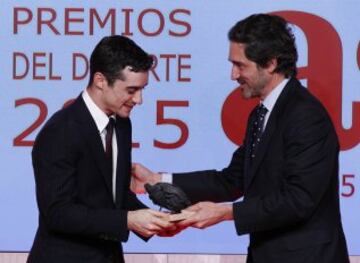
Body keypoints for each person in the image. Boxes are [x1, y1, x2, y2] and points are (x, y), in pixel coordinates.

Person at [131, 14, 350, 263]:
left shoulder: (306, 116)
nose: (233, 75)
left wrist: (226, 213)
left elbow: (299, 200)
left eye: (240, 65)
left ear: (270, 63)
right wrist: (157, 180)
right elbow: (232, 180)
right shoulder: (261, 113)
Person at [27, 35, 175, 263]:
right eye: (131, 90)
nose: (139, 99)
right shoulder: (61, 131)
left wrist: (155, 221)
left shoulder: (122, 123)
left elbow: (114, 196)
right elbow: (58, 212)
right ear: (100, 80)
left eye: (142, 89)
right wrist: (128, 220)